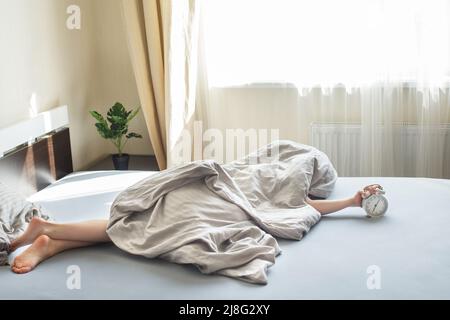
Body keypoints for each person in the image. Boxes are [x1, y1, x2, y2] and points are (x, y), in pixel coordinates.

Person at [9, 184, 382, 274]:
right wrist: (349, 202)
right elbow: (306, 204)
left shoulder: (291, 201)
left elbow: (309, 206)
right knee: (143, 226)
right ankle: (50, 233)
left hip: (208, 200)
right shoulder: (271, 186)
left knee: (135, 226)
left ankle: (52, 238)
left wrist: (351, 202)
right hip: (205, 196)